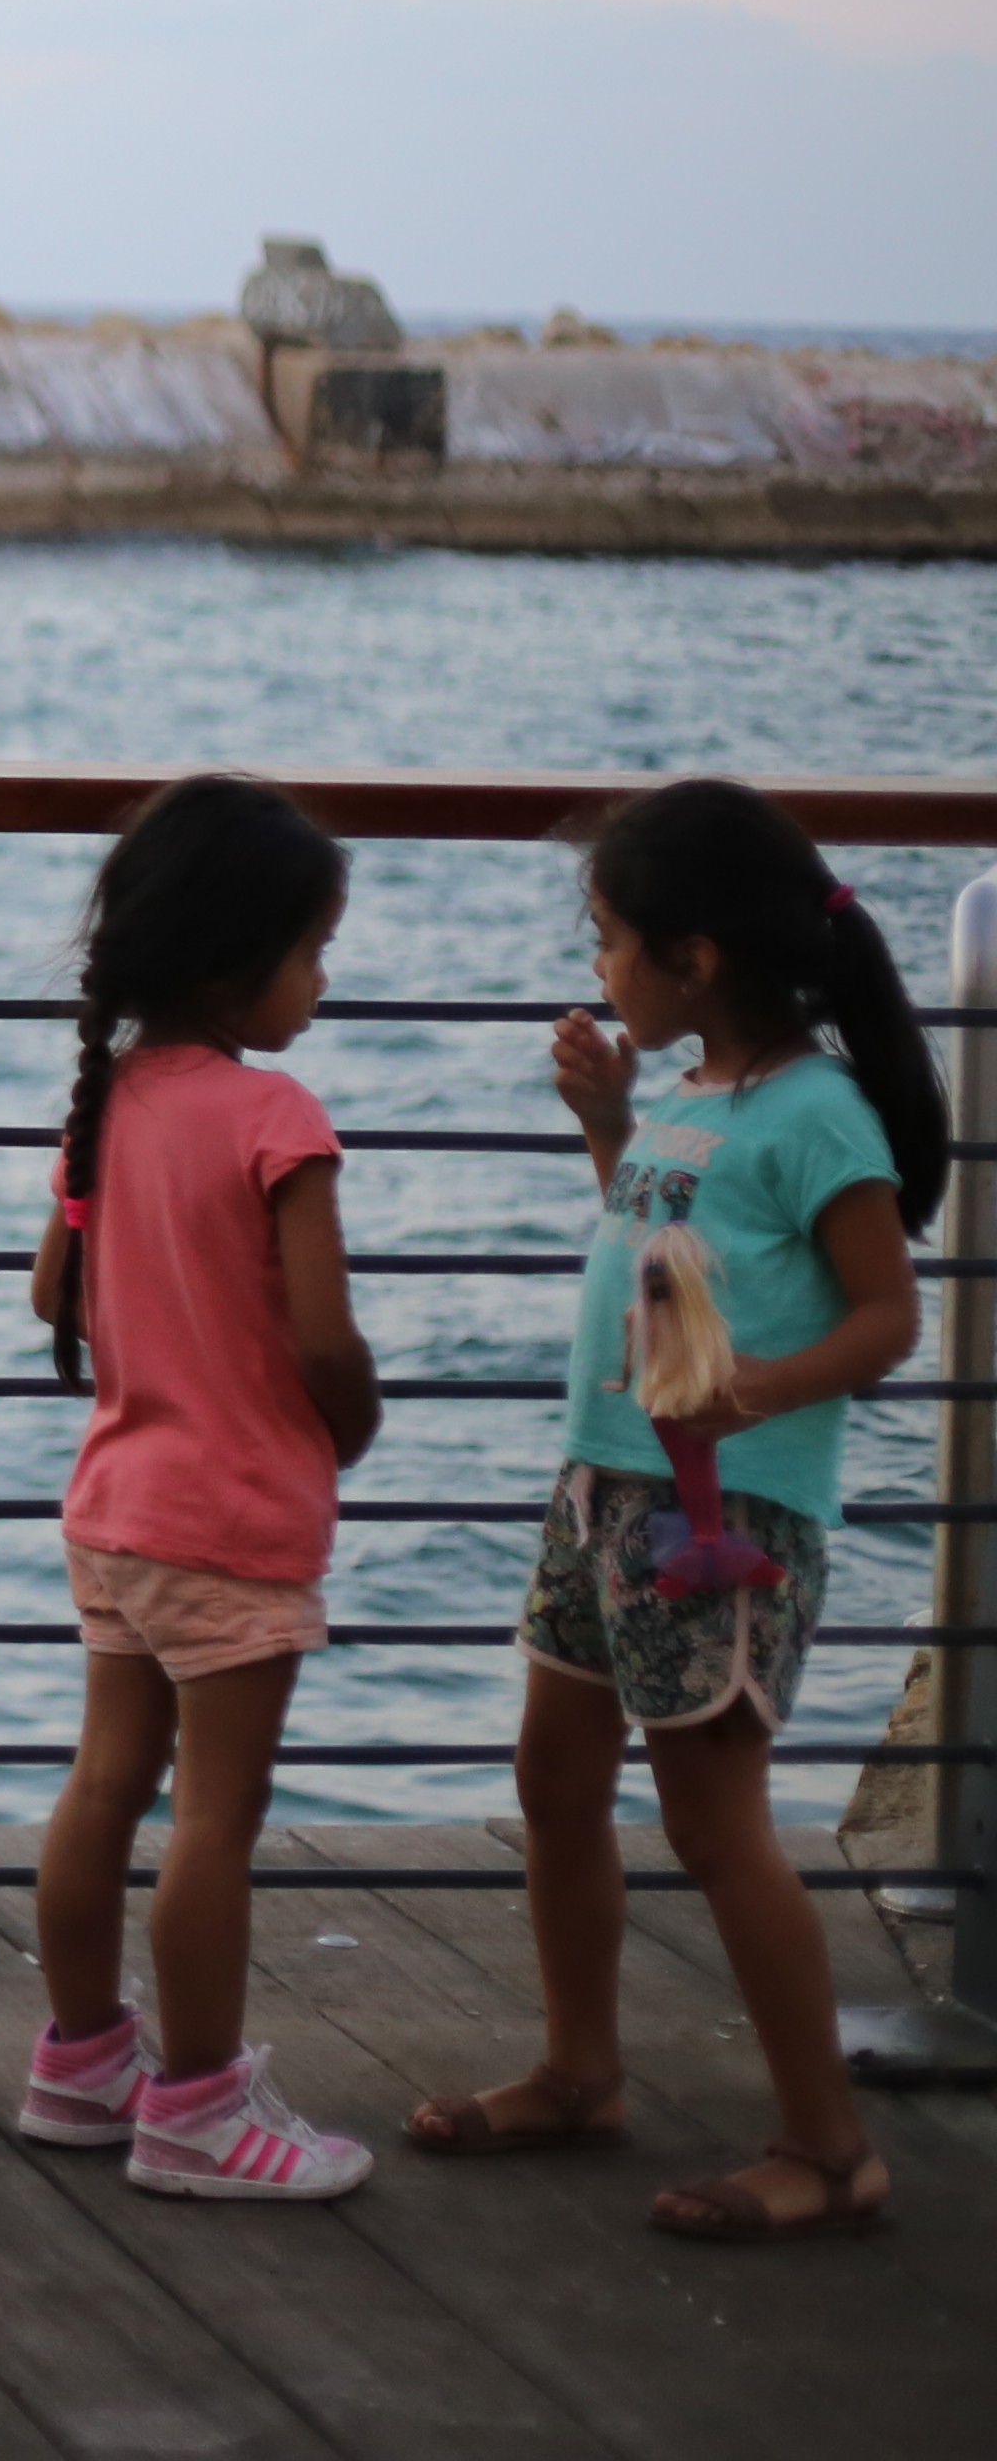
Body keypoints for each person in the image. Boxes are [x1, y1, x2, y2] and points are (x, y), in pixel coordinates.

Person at [409, 779, 932, 2243]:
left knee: (717, 1825)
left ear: (694, 958)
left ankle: (830, 2149)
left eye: (608, 938)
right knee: (554, 1777)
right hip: (603, 1488)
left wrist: (753, 1394)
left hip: (724, 1512)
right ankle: (580, 2072)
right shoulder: (694, 1092)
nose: (597, 966)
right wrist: (608, 1126)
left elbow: (889, 1317)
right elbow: (660, 1239)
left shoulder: (816, 1113)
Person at [14, 774, 382, 2201]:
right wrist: (348, 1426)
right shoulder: (276, 1117)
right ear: (236, 963)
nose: (322, 980)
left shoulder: (104, 1105)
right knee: (214, 1820)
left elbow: (53, 1292)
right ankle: (201, 2111)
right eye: (312, 952)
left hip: (116, 1507)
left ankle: (82, 2063)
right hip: (231, 1523)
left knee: (104, 1784)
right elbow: (324, 1339)